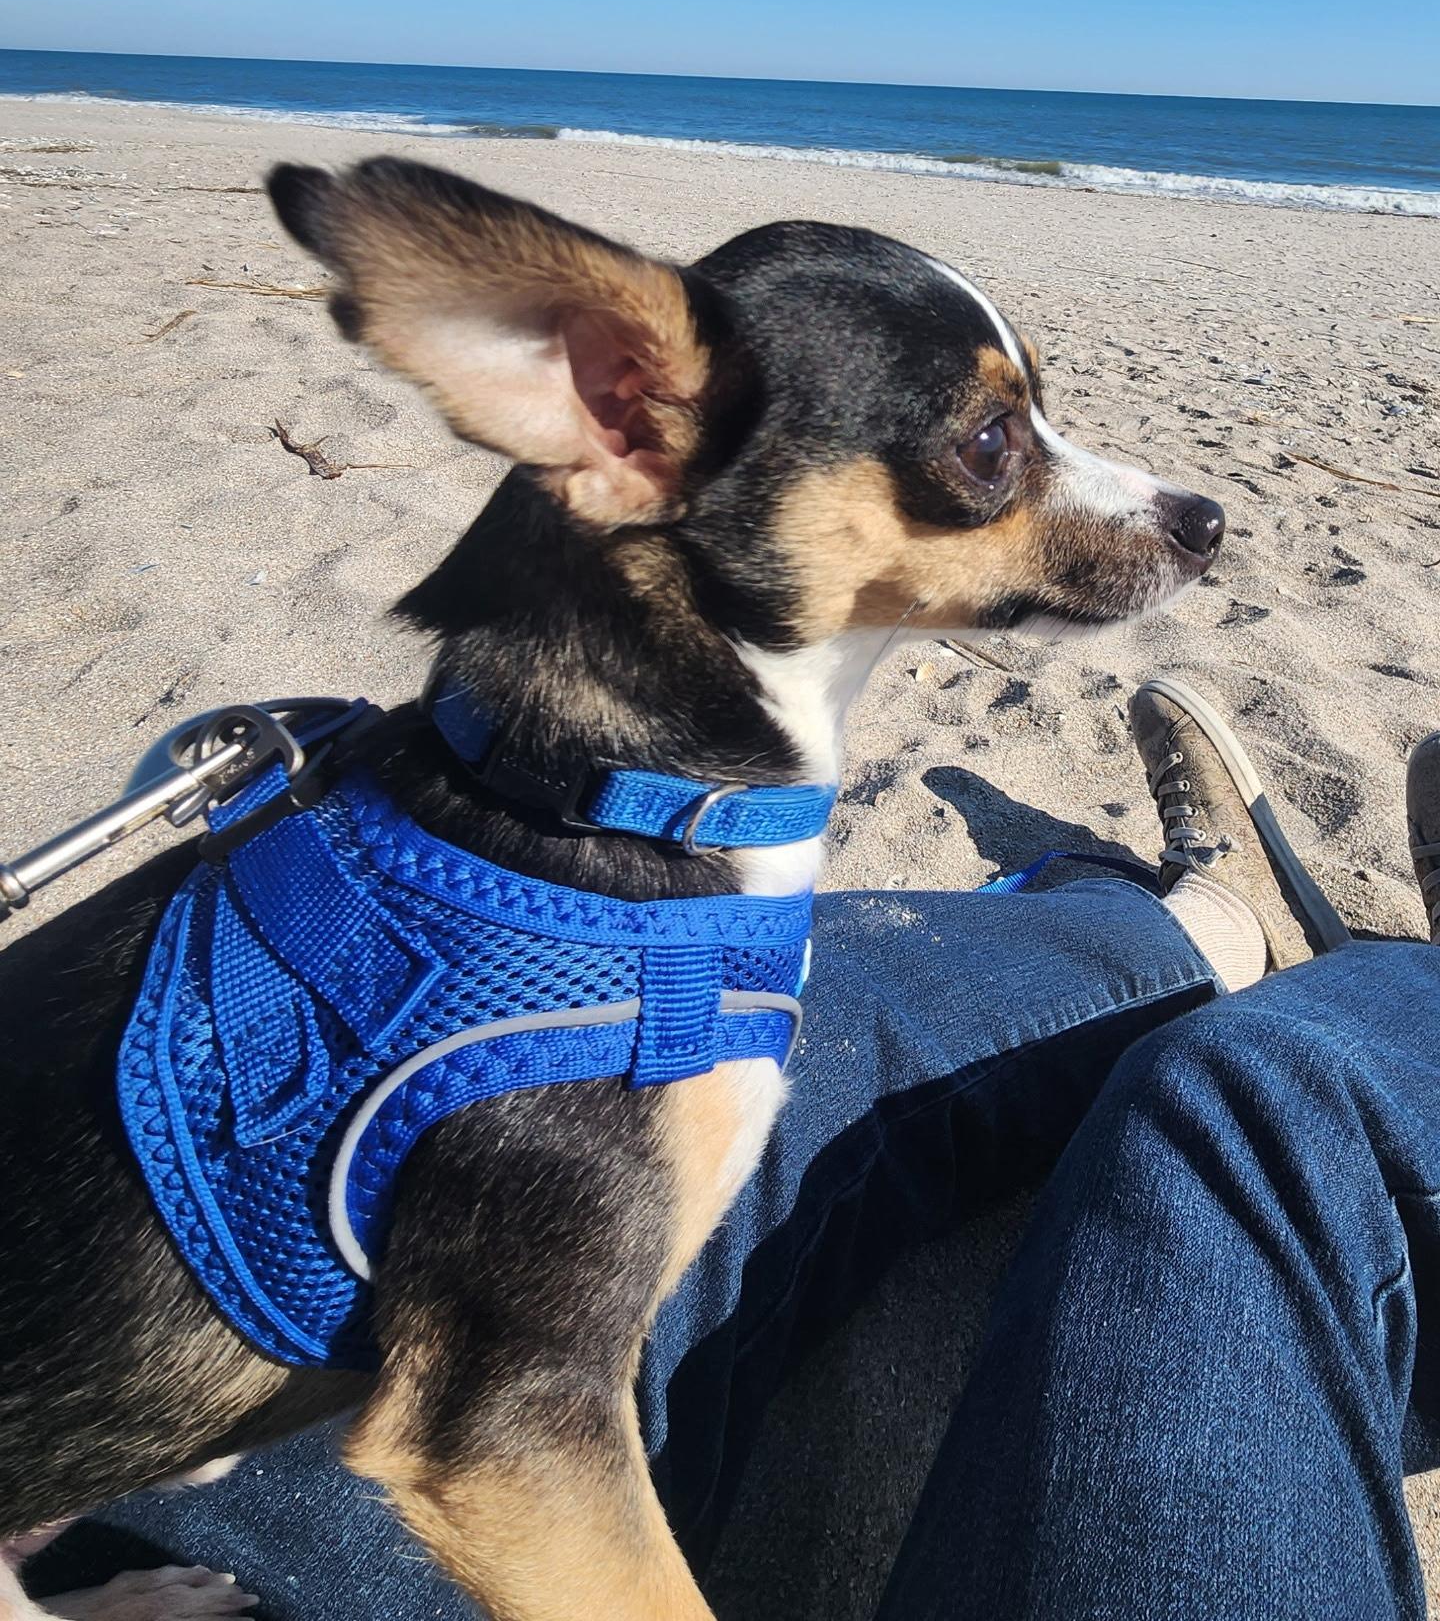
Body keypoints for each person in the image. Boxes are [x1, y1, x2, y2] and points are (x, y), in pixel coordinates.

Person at [24, 684, 1440, 1621]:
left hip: (157, 1535)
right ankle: (1300, 964)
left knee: (686, 1042)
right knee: (1252, 1108)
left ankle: (1184, 929)